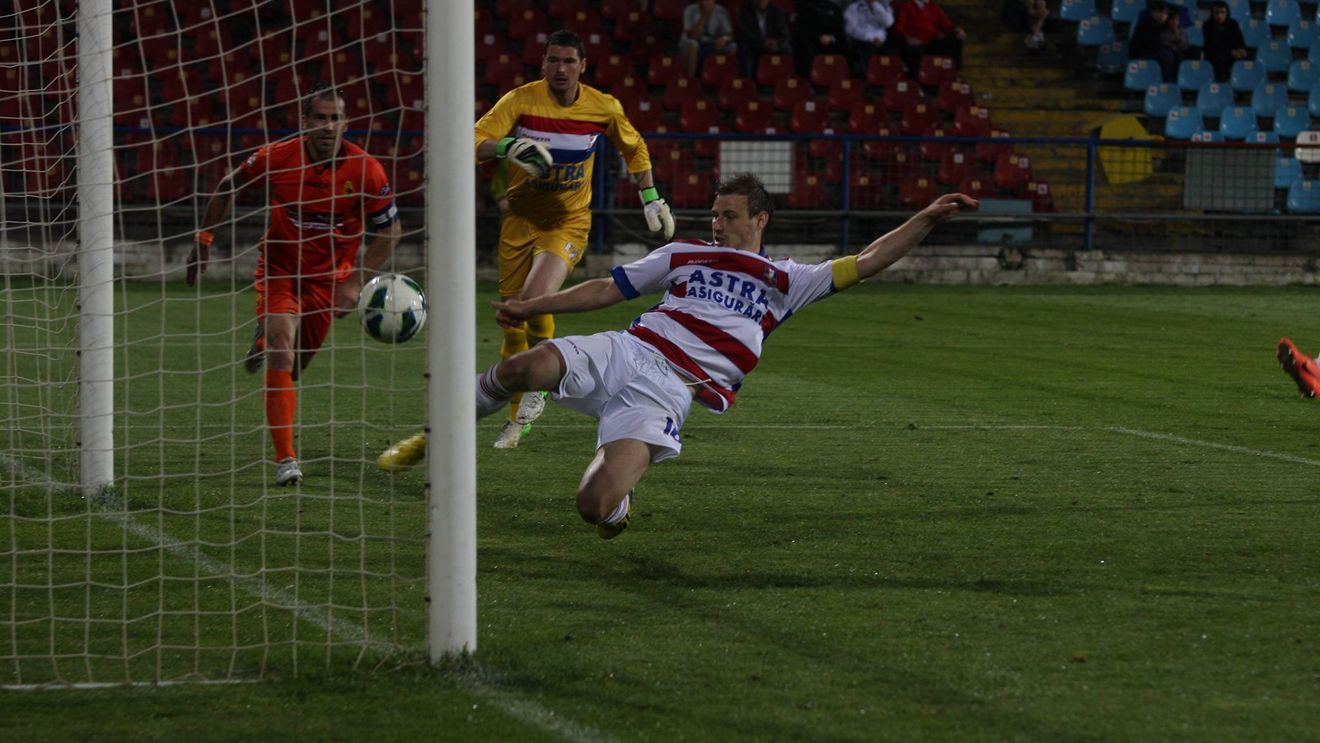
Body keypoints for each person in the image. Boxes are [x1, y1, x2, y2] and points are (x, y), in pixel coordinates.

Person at [382, 174, 977, 539]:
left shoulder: (788, 278)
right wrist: (532, 303)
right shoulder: (683, 252)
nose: (717, 223)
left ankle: (617, 509)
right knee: (522, 366)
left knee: (592, 506)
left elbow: (869, 260)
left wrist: (925, 217)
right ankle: (437, 435)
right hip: (628, 349)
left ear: (759, 219)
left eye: (730, 215)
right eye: (715, 213)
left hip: (668, 391)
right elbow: (606, 289)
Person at [380, 29, 673, 462]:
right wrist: (508, 146)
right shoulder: (520, 101)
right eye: (553, 60)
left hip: (568, 222)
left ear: (582, 66)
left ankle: (531, 398)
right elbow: (467, 144)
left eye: (569, 61)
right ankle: (520, 407)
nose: (560, 69)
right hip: (519, 222)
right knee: (512, 320)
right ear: (542, 64)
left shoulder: (603, 107)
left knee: (534, 300)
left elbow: (634, 147)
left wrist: (650, 197)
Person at [186, 84, 403, 486]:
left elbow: (391, 231)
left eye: (335, 118)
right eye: (319, 118)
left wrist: (356, 280)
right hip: (281, 269)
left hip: (330, 280)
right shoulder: (277, 157)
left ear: (346, 123)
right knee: (283, 355)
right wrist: (203, 240)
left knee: (294, 367)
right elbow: (229, 185)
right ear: (305, 122)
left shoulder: (367, 170)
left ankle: (265, 338)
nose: (327, 126)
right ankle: (286, 459)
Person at [892, 0, 966, 77]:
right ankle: (915, 79)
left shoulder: (934, 7)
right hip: (914, 46)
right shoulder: (907, 6)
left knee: (957, 37)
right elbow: (898, 29)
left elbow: (946, 26)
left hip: (932, 44)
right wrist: (907, 38)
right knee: (915, 49)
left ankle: (954, 71)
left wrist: (957, 31)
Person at [792, 0, 852, 78]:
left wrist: (832, 38)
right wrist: (818, 37)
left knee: (847, 46)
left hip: (832, 41)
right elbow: (802, 29)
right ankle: (808, 82)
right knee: (804, 47)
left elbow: (840, 31)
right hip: (811, 41)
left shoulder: (834, 8)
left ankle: (845, 80)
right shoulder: (804, 8)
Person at [1129, 1, 1185, 83]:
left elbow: (1178, 42)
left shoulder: (1166, 25)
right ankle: (1167, 82)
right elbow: (1146, 44)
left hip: (1160, 52)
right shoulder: (1145, 25)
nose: (1163, 16)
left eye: (1165, 14)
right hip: (1145, 53)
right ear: (1153, 13)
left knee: (1178, 55)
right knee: (1167, 56)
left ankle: (1177, 82)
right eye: (1160, 13)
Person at [680, 0, 738, 78]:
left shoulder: (721, 11)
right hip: (692, 43)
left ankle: (727, 80)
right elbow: (693, 36)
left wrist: (723, 39)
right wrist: (705, 15)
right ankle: (690, 81)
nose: (708, 2)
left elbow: (730, 34)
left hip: (712, 43)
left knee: (733, 46)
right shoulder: (690, 10)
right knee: (693, 44)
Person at [736, 0, 792, 79]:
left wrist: (777, 43)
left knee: (787, 48)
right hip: (754, 43)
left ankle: (786, 81)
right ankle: (748, 82)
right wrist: (763, 42)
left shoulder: (777, 11)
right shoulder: (745, 10)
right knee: (745, 48)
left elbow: (785, 35)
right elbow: (746, 33)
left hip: (773, 44)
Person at [844, 0, 896, 77]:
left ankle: (887, 81)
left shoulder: (883, 7)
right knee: (867, 52)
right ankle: (870, 80)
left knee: (893, 53)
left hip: (881, 41)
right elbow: (850, 29)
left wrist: (875, 5)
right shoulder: (854, 8)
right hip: (862, 41)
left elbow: (888, 23)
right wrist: (872, 38)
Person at [1202, 0, 1247, 83]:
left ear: (1227, 13)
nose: (1219, 15)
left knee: (1246, 57)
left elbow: (1240, 40)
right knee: (1219, 56)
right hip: (1214, 55)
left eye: (1223, 12)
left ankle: (1240, 85)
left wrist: (1241, 49)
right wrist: (1231, 52)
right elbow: (1211, 45)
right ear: (1212, 13)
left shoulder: (1233, 24)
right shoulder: (1207, 25)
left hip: (1232, 54)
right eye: (1216, 12)